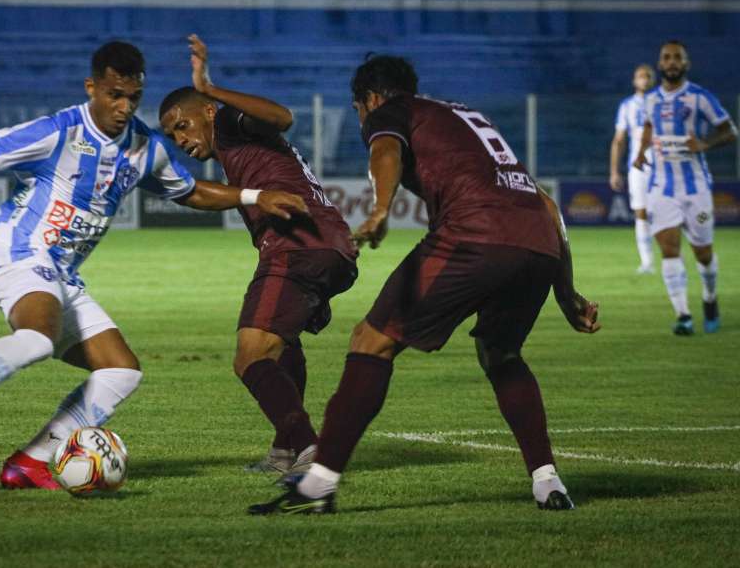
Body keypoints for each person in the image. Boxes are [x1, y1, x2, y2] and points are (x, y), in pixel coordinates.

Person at [0, 41, 307, 489]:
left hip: (62, 275)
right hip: (20, 254)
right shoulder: (60, 132)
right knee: (35, 340)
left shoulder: (143, 148)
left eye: (133, 97)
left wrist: (254, 195)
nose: (124, 106)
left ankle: (30, 461)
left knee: (121, 370)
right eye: (114, 95)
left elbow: (190, 192)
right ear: (92, 88)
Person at [250, 54, 601, 516]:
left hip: (475, 233)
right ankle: (547, 481)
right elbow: (546, 204)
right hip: (538, 242)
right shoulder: (464, 116)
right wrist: (566, 291)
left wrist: (379, 208)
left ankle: (316, 488)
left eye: (360, 111)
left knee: (370, 341)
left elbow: (385, 151)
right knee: (502, 353)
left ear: (370, 99)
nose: (363, 122)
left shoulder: (390, 113)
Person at [159, 35, 358, 479]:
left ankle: (310, 449)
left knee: (250, 356)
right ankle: (285, 449)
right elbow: (201, 195)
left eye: (182, 125)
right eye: (172, 134)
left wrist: (211, 88)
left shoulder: (229, 122)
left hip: (298, 246)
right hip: (328, 245)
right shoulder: (233, 151)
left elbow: (282, 117)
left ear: (207, 111)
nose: (180, 138)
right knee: (283, 346)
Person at [633, 40, 736, 335]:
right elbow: (649, 127)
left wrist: (704, 144)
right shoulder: (650, 100)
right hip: (661, 188)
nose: (672, 62)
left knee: (703, 253)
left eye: (677, 57)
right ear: (660, 64)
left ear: (686, 63)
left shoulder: (700, 97)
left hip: (696, 189)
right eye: (666, 57)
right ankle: (684, 315)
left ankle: (710, 296)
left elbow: (730, 130)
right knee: (669, 249)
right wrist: (641, 152)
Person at [609, 64, 656, 273]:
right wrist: (614, 171)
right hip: (637, 167)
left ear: (652, 80)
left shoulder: (662, 102)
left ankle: (671, 257)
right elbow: (619, 140)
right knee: (641, 211)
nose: (644, 79)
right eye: (640, 76)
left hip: (663, 165)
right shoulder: (627, 106)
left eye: (647, 76)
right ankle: (647, 262)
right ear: (634, 81)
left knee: (664, 212)